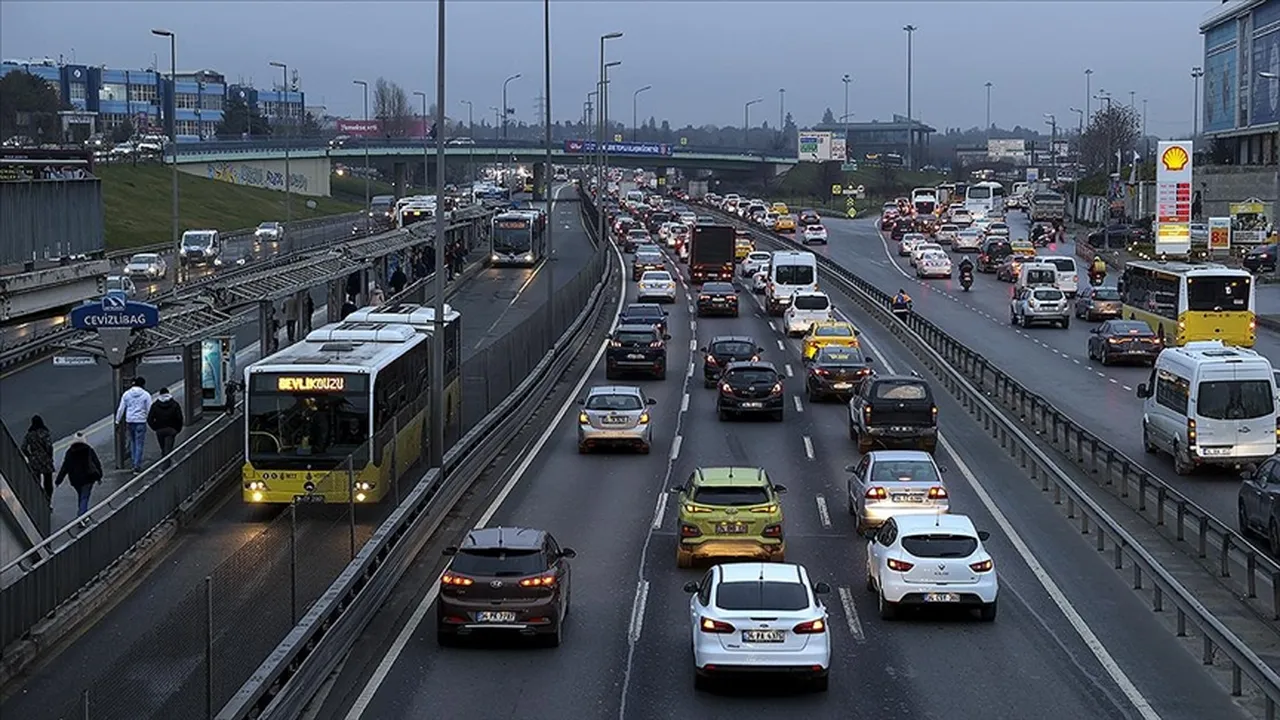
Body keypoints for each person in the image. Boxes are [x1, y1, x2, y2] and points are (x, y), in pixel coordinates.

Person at [56, 432, 103, 517]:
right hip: (88, 478)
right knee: (84, 497)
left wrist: (58, 480)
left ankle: (83, 513)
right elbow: (96, 463)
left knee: (81, 496)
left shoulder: (69, 452)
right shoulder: (89, 450)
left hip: (75, 480)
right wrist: (99, 476)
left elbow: (65, 467)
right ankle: (82, 516)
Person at [115, 376, 152, 473]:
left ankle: (133, 462)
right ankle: (137, 465)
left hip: (130, 421)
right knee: (139, 443)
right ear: (143, 384)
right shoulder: (146, 395)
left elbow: (121, 409)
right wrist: (150, 419)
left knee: (133, 442)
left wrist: (117, 421)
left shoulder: (126, 394)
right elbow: (149, 409)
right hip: (141, 421)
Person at [147, 387, 185, 464]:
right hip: (171, 429)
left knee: (163, 447)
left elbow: (150, 419)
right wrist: (177, 429)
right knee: (169, 447)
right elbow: (179, 418)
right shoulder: (175, 404)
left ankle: (164, 460)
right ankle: (166, 463)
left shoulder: (155, 405)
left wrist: (155, 428)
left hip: (160, 430)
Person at [21, 415, 54, 497]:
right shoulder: (45, 433)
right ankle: (48, 497)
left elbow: (23, 447)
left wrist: (29, 456)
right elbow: (49, 446)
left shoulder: (29, 434)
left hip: (34, 459)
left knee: (36, 480)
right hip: (45, 458)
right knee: (48, 480)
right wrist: (50, 456)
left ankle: (39, 496)